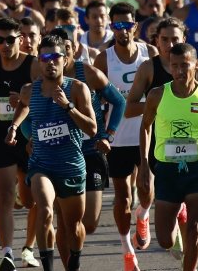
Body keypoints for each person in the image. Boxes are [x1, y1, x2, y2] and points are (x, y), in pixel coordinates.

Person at [139, 43, 198, 271]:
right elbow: (145, 127)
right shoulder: (157, 95)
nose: (180, 71)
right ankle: (177, 212)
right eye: (174, 66)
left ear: (196, 65)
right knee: (165, 240)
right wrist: (144, 164)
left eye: (185, 65)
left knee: (195, 232)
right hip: (166, 170)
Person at [7, 35, 97, 271]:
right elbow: (22, 106)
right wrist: (15, 127)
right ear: (39, 60)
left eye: (55, 56)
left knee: (73, 226)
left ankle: (74, 260)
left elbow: (92, 128)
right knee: (45, 210)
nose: (50, 62)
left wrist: (68, 106)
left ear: (65, 59)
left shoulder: (77, 88)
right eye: (44, 57)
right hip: (41, 164)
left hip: (71, 165)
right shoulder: (29, 90)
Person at [92, 2, 157, 269]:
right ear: (111, 27)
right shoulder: (103, 59)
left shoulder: (149, 53)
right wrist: (100, 133)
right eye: (117, 26)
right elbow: (95, 100)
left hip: (147, 132)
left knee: (146, 190)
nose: (122, 31)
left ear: (135, 26)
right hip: (117, 136)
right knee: (122, 196)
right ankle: (127, 249)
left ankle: (143, 216)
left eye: (127, 25)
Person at [48, 27, 126, 239]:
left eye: (66, 50)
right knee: (65, 220)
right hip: (59, 154)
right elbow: (29, 110)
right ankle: (72, 258)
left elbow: (119, 102)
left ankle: (74, 243)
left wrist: (108, 135)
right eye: (55, 54)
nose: (61, 57)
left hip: (90, 151)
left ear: (72, 49)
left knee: (89, 224)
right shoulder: (45, 78)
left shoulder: (89, 73)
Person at [0, 17, 41, 270]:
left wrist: (27, 101)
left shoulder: (34, 65)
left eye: (10, 40)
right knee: (4, 196)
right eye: (0, 40)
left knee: (31, 201)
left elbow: (46, 99)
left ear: (21, 39)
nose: (5, 45)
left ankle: (28, 247)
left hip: (28, 138)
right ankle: (7, 253)